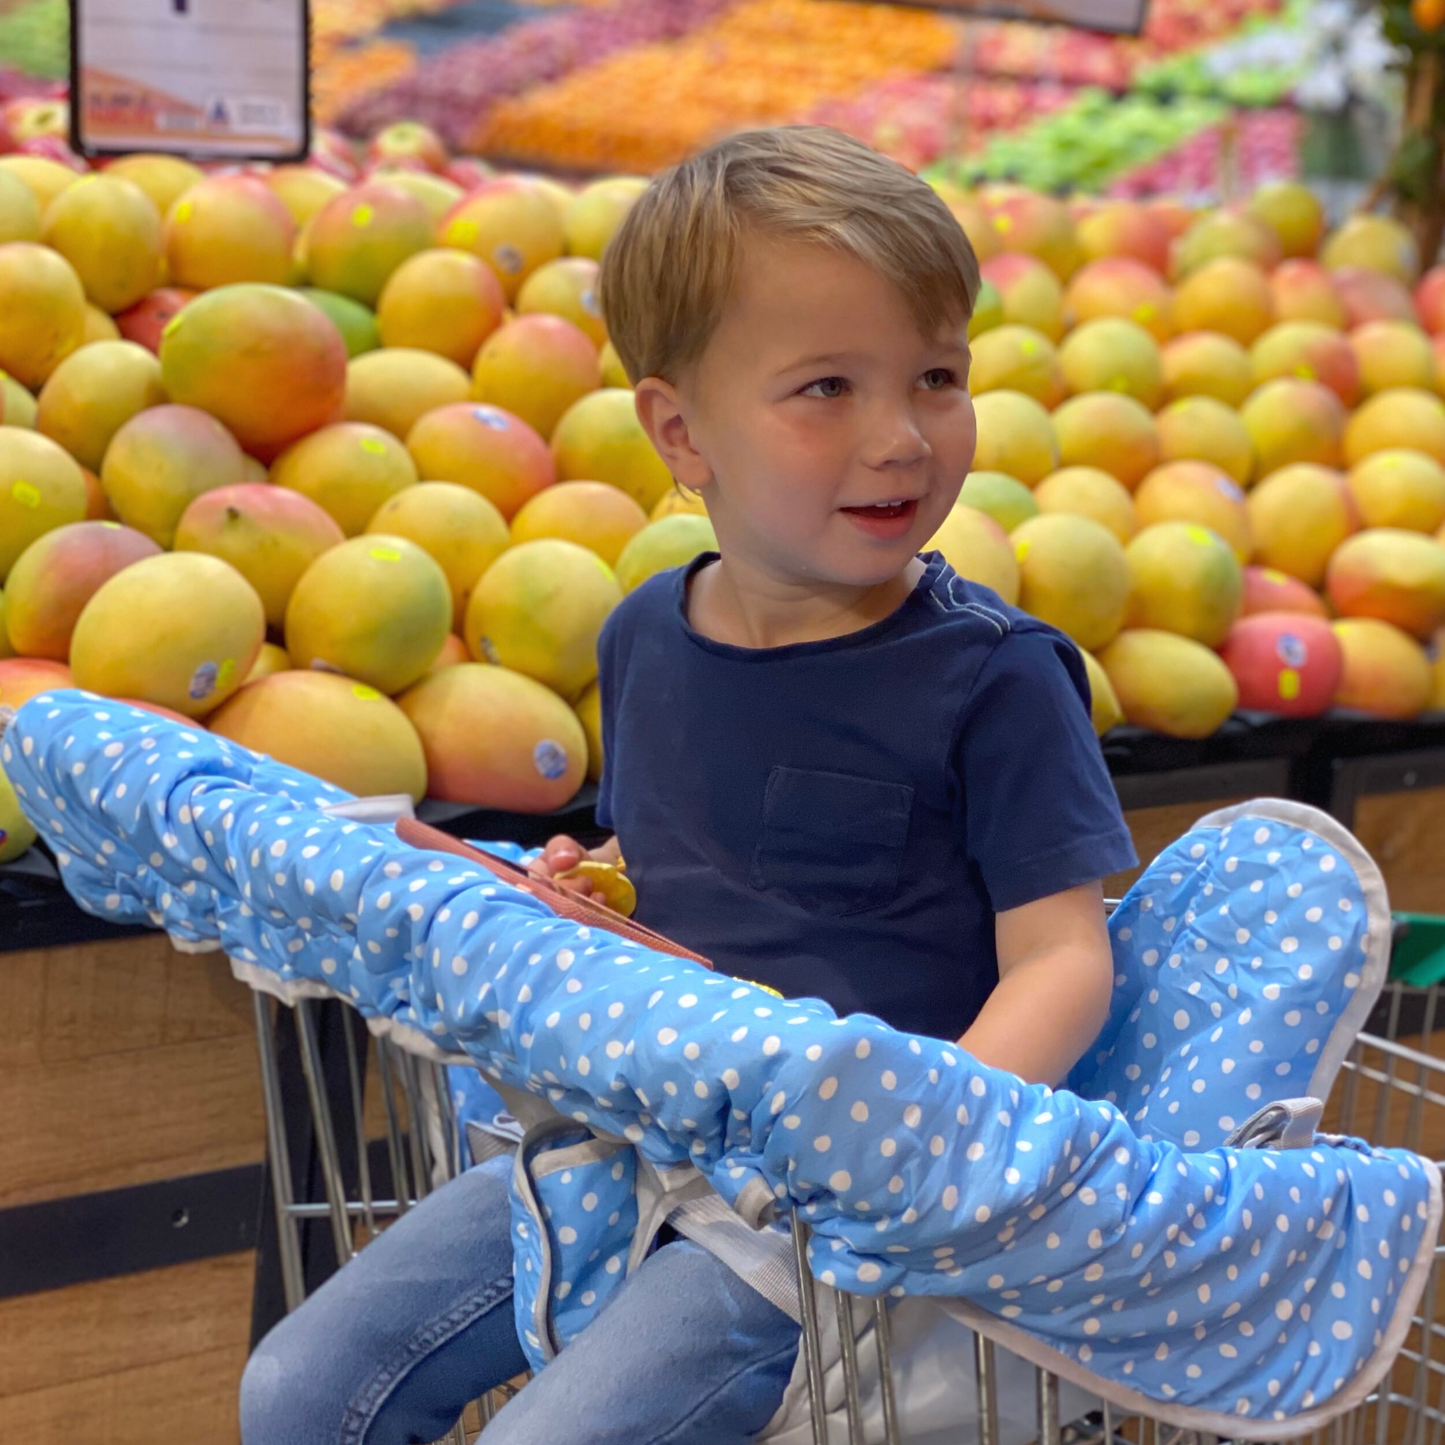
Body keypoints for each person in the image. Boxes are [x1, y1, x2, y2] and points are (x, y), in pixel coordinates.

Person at [239, 125, 1136, 1445]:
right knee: (299, 1387)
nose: (902, 437)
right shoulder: (643, 638)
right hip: (629, 1133)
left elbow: (1064, 955)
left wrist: (915, 1140)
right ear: (680, 430)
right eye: (827, 387)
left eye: (937, 377)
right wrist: (592, 890)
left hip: (820, 1219)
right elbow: (686, 877)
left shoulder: (997, 680)